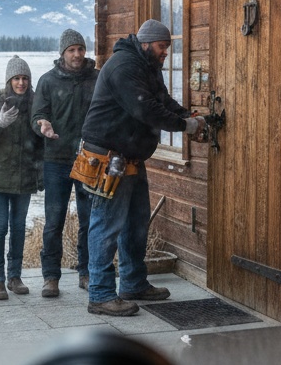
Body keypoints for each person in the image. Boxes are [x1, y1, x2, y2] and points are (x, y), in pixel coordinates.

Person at [80, 20, 204, 317]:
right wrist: (186, 126)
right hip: (108, 157)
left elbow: (161, 100)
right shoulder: (124, 66)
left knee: (136, 223)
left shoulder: (146, 66)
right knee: (106, 225)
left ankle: (133, 283)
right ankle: (100, 294)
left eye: (167, 48)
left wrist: (186, 115)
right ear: (147, 43)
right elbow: (144, 109)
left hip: (130, 155)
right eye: (162, 47)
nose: (165, 53)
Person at [30, 28, 99, 298]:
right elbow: (37, 113)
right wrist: (42, 125)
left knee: (89, 220)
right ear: (62, 53)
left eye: (80, 49)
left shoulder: (97, 78)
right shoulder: (48, 81)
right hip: (56, 160)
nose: (77, 54)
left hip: (89, 159)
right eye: (72, 50)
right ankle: (51, 277)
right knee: (53, 221)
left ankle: (87, 272)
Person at [0, 56, 43, 300]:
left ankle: (14, 277)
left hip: (24, 175)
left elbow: (39, 138)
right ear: (9, 79)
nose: (21, 83)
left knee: (18, 228)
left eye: (25, 78)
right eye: (16, 78)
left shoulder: (35, 101)